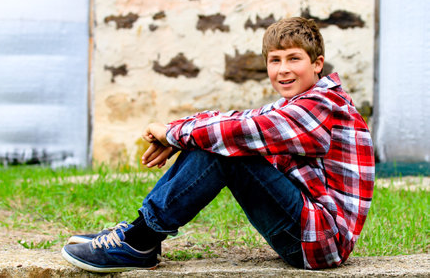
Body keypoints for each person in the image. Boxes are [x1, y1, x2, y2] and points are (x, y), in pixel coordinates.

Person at [61, 17, 375, 272]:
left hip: (320, 240)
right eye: (275, 60)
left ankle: (139, 240)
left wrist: (173, 135)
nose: (283, 70)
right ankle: (139, 236)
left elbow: (241, 130)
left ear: (317, 64)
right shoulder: (295, 103)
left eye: (294, 59)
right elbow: (232, 118)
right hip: (307, 234)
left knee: (226, 149)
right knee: (216, 137)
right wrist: (175, 132)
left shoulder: (323, 103)